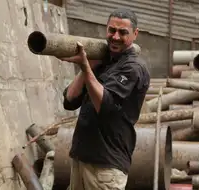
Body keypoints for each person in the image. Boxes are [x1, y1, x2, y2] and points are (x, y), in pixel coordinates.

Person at [58, 8, 150, 190]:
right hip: (82, 157)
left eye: (123, 32)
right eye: (111, 30)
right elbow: (69, 101)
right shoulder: (104, 61)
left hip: (106, 166)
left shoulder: (133, 67)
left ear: (135, 34)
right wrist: (88, 66)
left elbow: (105, 106)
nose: (115, 37)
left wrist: (85, 67)